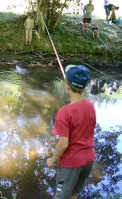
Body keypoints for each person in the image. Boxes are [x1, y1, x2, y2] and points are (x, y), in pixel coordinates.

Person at [46, 65, 96, 199]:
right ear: (85, 87)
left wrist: (52, 160)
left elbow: (63, 144)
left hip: (71, 163)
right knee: (74, 194)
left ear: (67, 86)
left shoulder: (64, 112)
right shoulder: (91, 106)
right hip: (89, 159)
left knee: (61, 197)